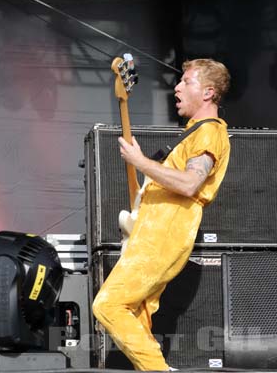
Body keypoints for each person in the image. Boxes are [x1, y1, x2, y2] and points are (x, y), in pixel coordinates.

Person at [92, 59, 231, 371]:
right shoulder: (195, 134)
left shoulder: (209, 134)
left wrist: (140, 161)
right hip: (154, 234)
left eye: (186, 82)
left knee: (108, 304)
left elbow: (190, 183)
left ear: (208, 92)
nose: (177, 88)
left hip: (165, 235)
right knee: (135, 314)